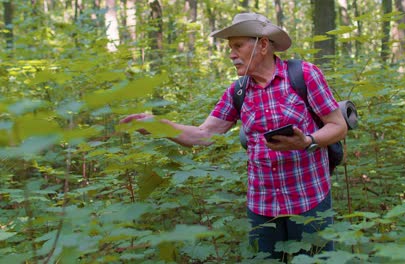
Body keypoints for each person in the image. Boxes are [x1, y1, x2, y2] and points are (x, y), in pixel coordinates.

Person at [121, 13, 347, 261]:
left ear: (262, 45)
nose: (231, 54)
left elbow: (337, 126)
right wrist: (160, 126)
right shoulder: (238, 91)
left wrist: (307, 141)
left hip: (310, 200)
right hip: (263, 208)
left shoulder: (304, 75)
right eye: (230, 47)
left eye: (238, 46)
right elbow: (204, 134)